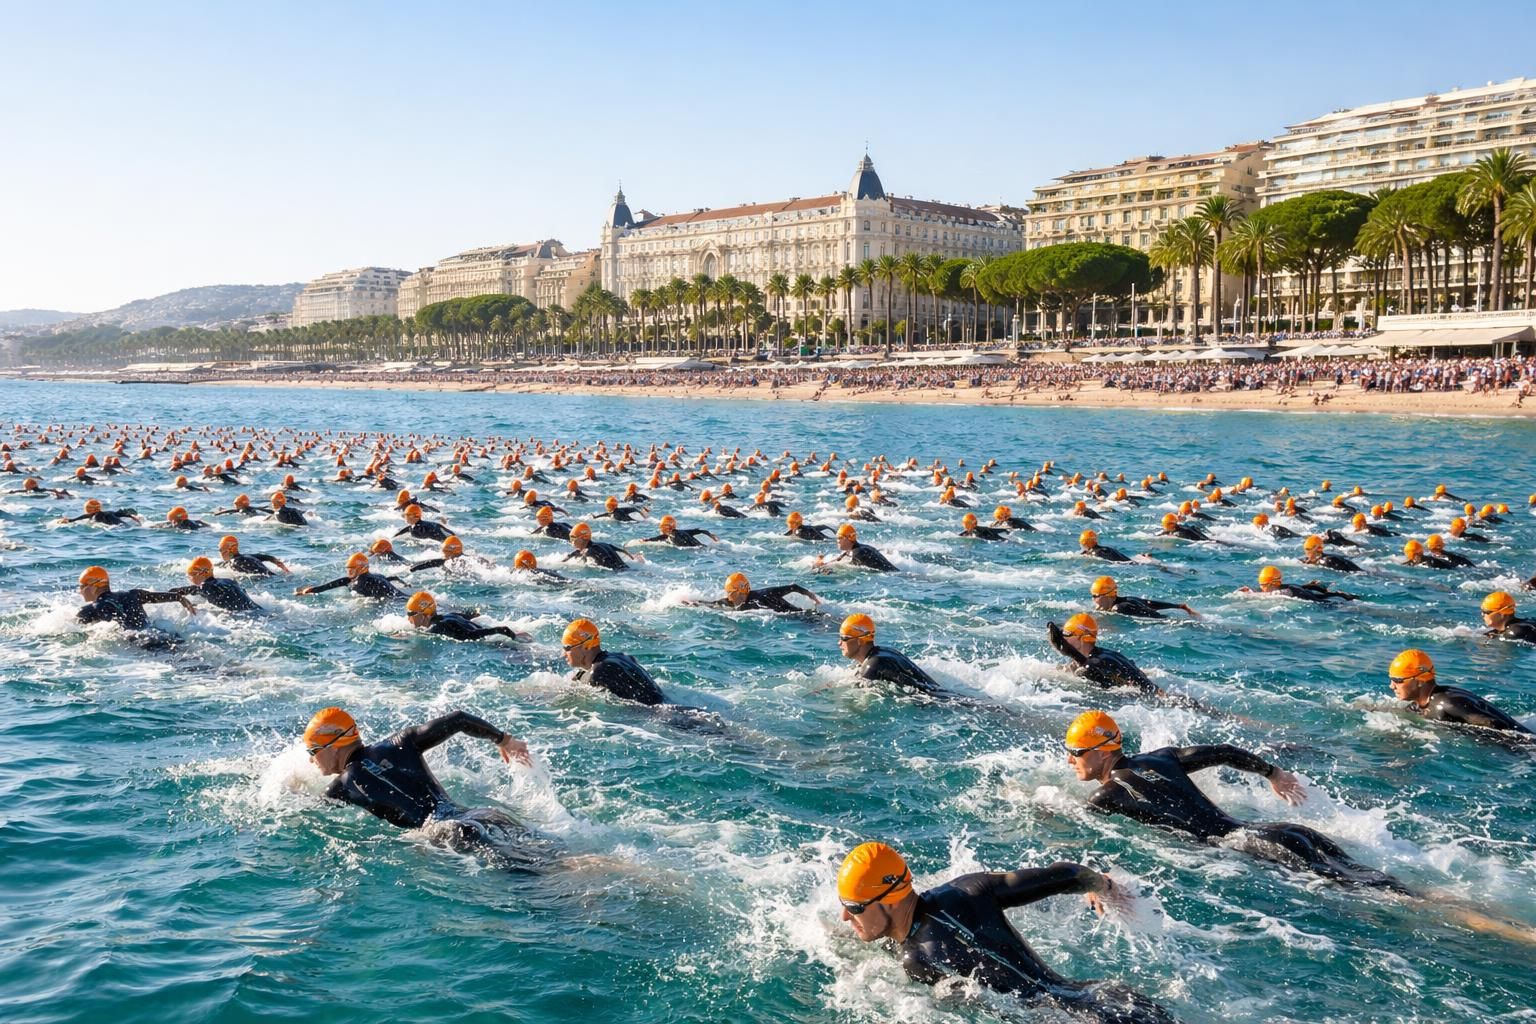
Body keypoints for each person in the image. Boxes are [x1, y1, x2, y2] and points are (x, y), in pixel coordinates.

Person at [834, 842, 1173, 1024]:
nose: (845, 916)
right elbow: (1066, 874)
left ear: (889, 901)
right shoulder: (968, 890)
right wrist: (1104, 886)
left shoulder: (917, 961)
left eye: (855, 907)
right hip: (1108, 997)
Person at [1063, 710, 1402, 890]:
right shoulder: (1161, 757)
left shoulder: (1105, 796)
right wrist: (1272, 773)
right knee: (1380, 881)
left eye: (1075, 752)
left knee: (1376, 896)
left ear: (1100, 751)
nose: (1069, 760)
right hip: (1280, 831)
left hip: (1250, 846)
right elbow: (1222, 752)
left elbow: (1081, 836)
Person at [302, 707, 547, 869]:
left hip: (446, 832)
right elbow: (458, 719)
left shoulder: (341, 786)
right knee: (554, 858)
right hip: (481, 815)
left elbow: (306, 817)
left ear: (332, 747)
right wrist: (505, 740)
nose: (311, 760)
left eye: (312, 752)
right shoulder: (398, 743)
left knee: (549, 884)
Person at [1386, 649, 1532, 737]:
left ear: (1419, 681)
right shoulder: (1421, 704)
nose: (1391, 686)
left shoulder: (1446, 702)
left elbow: (1494, 724)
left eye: (1397, 680)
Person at [836, 613, 949, 697]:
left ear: (860, 641)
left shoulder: (873, 665)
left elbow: (859, 703)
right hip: (943, 695)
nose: (839, 643)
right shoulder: (883, 652)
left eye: (844, 638)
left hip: (940, 703)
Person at [559, 618, 666, 705]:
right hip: (668, 706)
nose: (563, 653)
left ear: (586, 646)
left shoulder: (599, 672)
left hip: (661, 717)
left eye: (567, 648)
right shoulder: (619, 657)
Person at [1045, 614, 1157, 696]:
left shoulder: (1093, 666)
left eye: (1067, 634)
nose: (1063, 638)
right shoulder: (1101, 654)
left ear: (1083, 639)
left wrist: (1068, 652)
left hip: (1143, 698)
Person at [76, 565, 196, 630]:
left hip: (140, 644)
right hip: (160, 634)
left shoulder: (92, 609)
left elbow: (69, 629)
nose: (80, 591)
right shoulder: (132, 594)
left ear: (92, 586)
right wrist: (182, 599)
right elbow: (169, 596)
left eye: (81, 586)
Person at [405, 591, 527, 642]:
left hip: (491, 645)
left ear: (424, 613)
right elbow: (473, 615)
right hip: (490, 636)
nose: (408, 618)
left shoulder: (437, 628)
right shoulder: (450, 616)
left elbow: (470, 636)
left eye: (411, 614)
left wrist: (498, 630)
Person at [295, 552, 406, 600]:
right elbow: (330, 585)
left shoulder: (368, 581)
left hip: (395, 601)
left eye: (352, 569)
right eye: (348, 569)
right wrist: (312, 590)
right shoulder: (353, 579)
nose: (349, 572)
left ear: (361, 568)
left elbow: (388, 595)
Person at [171, 556, 260, 613]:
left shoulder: (206, 586)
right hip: (257, 609)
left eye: (190, 575)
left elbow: (190, 590)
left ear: (202, 573)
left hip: (242, 616)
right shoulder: (229, 581)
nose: (190, 579)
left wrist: (170, 593)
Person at [705, 571, 821, 613]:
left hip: (799, 616)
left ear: (739, 592)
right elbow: (714, 604)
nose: (728, 596)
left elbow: (793, 587)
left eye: (730, 592)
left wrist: (812, 597)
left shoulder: (765, 594)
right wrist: (690, 603)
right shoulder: (735, 601)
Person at [1089, 577, 1197, 619]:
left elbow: (1153, 618)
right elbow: (1150, 603)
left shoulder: (1119, 608)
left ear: (1108, 595)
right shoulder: (1129, 599)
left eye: (1095, 596)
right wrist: (1178, 606)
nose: (1093, 599)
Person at [1244, 565, 1357, 603]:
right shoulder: (1288, 586)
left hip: (1325, 604)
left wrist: (1248, 594)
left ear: (1270, 584)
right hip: (1326, 596)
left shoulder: (1284, 591)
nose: (1261, 588)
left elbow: (1267, 595)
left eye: (1263, 585)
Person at [815, 524, 897, 572]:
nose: (837, 541)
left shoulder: (858, 553)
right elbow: (839, 559)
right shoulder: (857, 548)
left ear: (849, 538)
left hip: (893, 576)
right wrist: (823, 562)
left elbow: (846, 570)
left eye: (840, 538)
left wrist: (825, 569)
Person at [561, 522, 640, 571]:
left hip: (619, 574)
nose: (571, 541)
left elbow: (599, 566)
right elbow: (622, 551)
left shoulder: (589, 551)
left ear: (583, 538)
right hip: (627, 569)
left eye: (573, 538)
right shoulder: (603, 544)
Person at [218, 534, 290, 576]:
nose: (220, 553)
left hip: (265, 580)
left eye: (221, 550)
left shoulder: (234, 562)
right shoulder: (249, 556)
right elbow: (269, 557)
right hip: (275, 576)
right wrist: (285, 569)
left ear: (230, 549)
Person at [636, 514, 718, 547]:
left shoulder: (670, 535)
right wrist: (711, 535)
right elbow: (700, 530)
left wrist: (647, 540)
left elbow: (662, 537)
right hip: (702, 547)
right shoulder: (684, 531)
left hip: (692, 551)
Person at [56, 499, 140, 526]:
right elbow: (121, 514)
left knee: (122, 525)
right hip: (117, 519)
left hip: (112, 524)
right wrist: (133, 517)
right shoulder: (107, 512)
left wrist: (69, 521)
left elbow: (84, 517)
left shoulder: (95, 517)